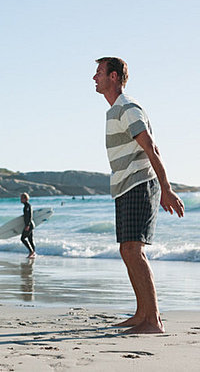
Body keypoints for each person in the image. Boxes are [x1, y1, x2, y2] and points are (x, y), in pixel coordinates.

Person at [93, 57, 185, 334]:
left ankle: (153, 320)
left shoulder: (128, 108)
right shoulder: (114, 112)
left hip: (139, 184)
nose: (93, 78)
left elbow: (151, 149)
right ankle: (141, 312)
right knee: (127, 250)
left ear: (113, 76)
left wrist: (166, 189)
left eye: (98, 72)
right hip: (124, 186)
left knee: (134, 250)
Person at [20, 193, 35, 258]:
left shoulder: (28, 206)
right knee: (30, 239)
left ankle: (31, 251)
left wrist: (27, 225)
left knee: (22, 238)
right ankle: (33, 253)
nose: (20, 200)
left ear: (25, 199)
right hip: (29, 225)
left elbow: (30, 216)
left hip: (29, 225)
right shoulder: (26, 206)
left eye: (22, 198)